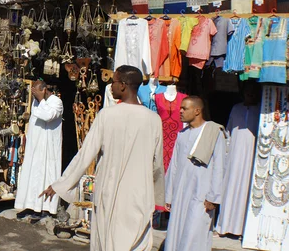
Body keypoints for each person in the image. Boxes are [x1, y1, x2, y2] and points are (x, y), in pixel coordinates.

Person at [40, 65, 165, 251]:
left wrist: (60, 184)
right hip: (140, 194)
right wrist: (157, 197)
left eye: (113, 82)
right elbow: (157, 165)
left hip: (110, 190)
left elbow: (85, 154)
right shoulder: (154, 119)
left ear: (123, 85)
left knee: (108, 240)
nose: (110, 86)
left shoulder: (107, 115)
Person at [164, 96, 226, 251]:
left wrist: (213, 196)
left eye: (185, 108)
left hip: (201, 194)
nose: (181, 111)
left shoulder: (214, 132)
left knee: (195, 234)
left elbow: (220, 167)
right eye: (181, 108)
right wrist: (169, 195)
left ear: (197, 111)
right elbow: (174, 166)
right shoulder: (182, 134)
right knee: (176, 233)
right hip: (180, 194)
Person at [216, 82, 261, 237]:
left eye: (253, 93)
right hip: (234, 158)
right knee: (230, 188)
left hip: (251, 159)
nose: (250, 95)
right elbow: (228, 132)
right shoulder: (237, 108)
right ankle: (224, 226)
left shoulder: (261, 111)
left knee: (247, 191)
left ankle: (243, 229)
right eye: (248, 92)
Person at [15, 80, 63, 217]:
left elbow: (48, 116)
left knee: (46, 175)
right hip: (35, 147)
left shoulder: (56, 102)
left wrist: (41, 100)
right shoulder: (37, 101)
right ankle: (31, 205)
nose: (34, 95)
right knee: (31, 175)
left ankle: (46, 208)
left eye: (36, 91)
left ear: (44, 89)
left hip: (48, 149)